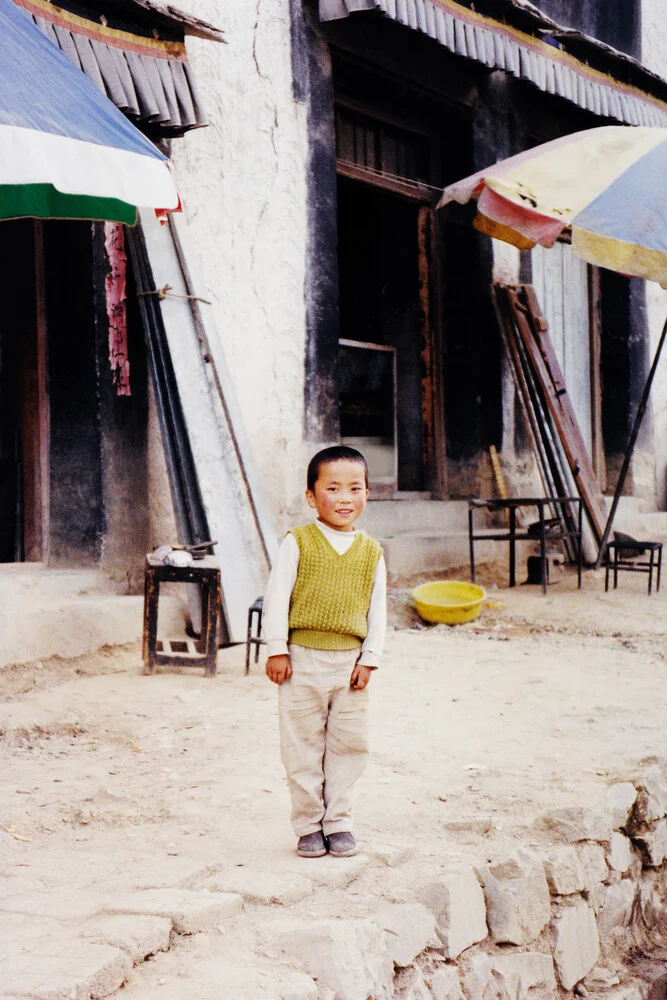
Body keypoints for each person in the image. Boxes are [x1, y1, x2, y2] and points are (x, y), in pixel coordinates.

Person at [263, 445, 387, 858]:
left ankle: (338, 822)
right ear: (312, 496)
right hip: (301, 662)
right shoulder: (298, 543)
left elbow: (378, 609)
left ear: (367, 494)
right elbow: (277, 598)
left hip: (350, 668)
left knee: (350, 745)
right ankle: (307, 825)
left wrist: (370, 658)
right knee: (301, 745)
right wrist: (277, 650)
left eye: (355, 488)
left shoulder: (372, 552)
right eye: (333, 488)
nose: (345, 498)